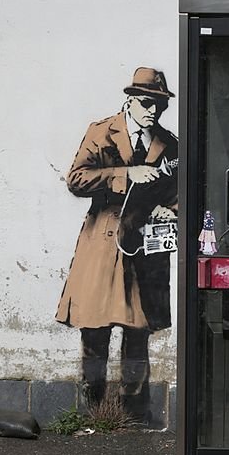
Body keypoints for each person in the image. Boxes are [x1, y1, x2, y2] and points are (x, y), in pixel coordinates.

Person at [56, 67, 178, 423]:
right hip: (103, 242)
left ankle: (134, 411)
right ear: (129, 100)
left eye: (159, 104)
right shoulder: (101, 132)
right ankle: (92, 409)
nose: (152, 110)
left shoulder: (168, 143)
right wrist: (125, 174)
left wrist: (168, 209)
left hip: (143, 243)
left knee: (138, 331)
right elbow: (76, 179)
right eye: (145, 102)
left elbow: (180, 190)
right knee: (94, 328)